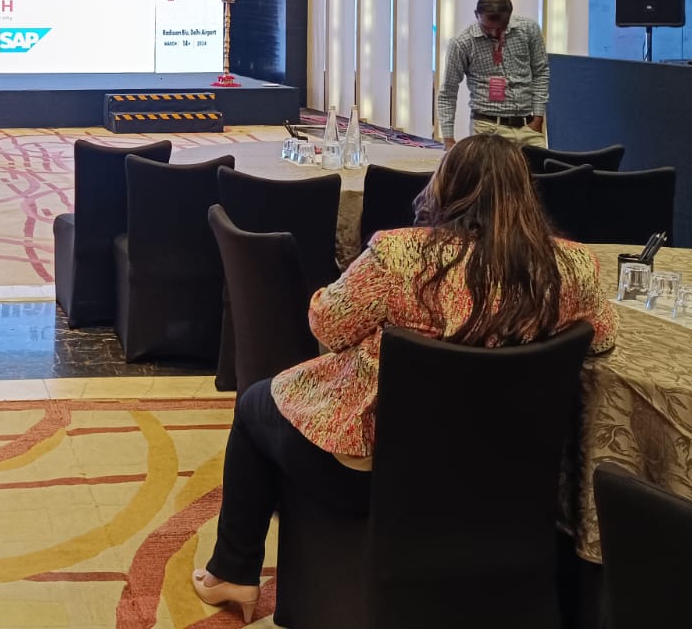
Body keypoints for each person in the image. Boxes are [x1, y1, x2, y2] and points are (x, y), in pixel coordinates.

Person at [190, 135, 617, 619]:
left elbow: (327, 326)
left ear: (447, 187)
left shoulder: (398, 257)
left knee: (254, 407)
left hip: (380, 479)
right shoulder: (573, 266)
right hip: (510, 480)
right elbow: (599, 337)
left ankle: (233, 572)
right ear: (525, 193)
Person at [437, 0, 549, 147]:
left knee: (539, 163)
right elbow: (448, 92)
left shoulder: (528, 29)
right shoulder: (462, 43)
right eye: (487, 28)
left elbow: (541, 73)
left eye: (501, 28)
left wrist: (538, 118)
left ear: (509, 16)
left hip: (529, 126)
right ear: (476, 15)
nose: (494, 33)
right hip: (488, 128)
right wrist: (448, 138)